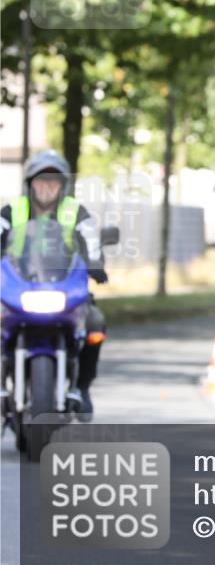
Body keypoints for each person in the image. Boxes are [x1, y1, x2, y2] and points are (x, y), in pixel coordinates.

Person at [0, 150, 109, 417]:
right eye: (40, 180)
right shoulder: (12, 211)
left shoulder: (75, 212)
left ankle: (81, 388)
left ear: (63, 185)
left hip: (65, 287)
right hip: (20, 286)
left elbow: (91, 242)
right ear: (30, 184)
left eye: (53, 181)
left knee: (95, 323)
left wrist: (96, 264)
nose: (46, 186)